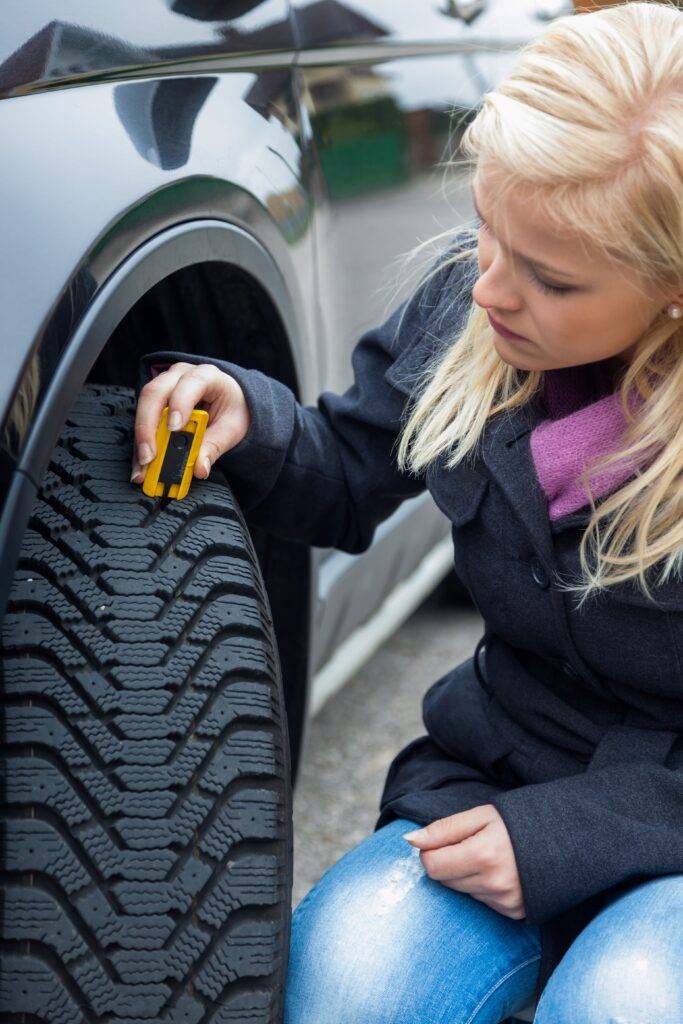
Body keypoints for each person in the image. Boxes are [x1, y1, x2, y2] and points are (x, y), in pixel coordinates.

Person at [131, 2, 683, 1020]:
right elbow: (345, 467)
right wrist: (248, 414)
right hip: (491, 782)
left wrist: (577, 837)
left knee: (623, 1001)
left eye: (548, 277)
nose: (486, 290)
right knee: (347, 989)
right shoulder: (471, 308)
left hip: (663, 829)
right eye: (484, 227)